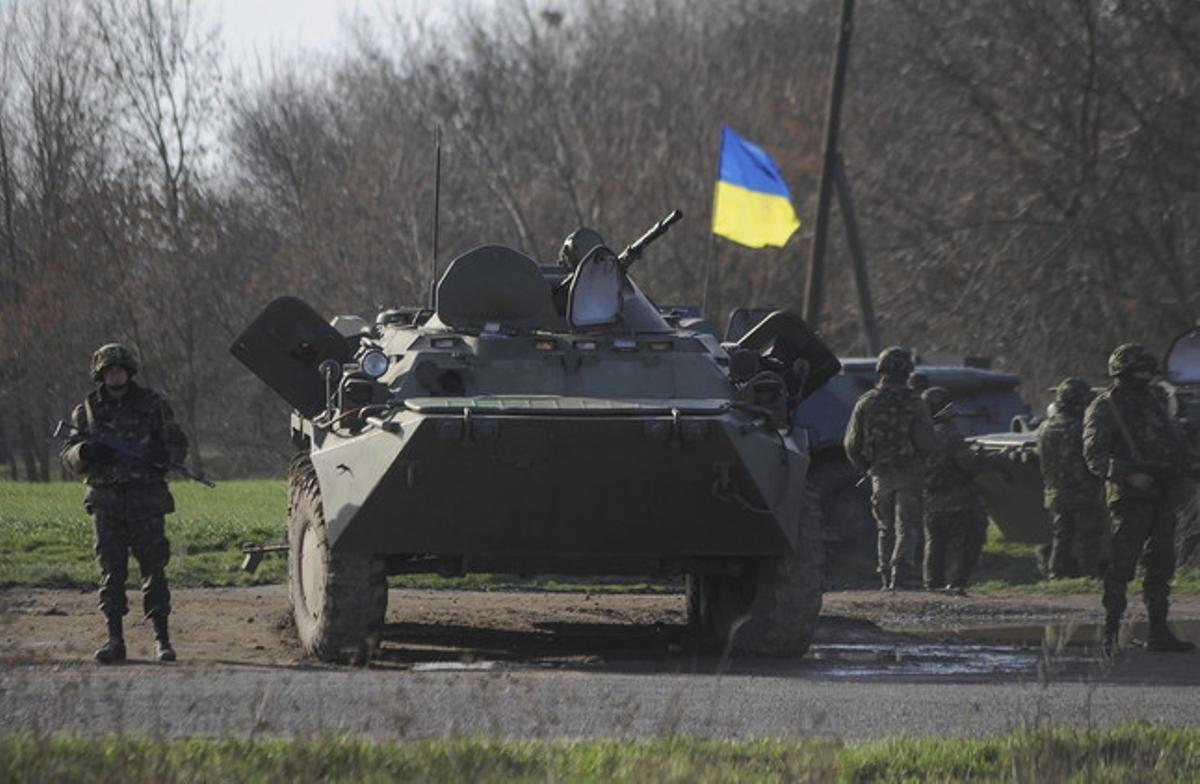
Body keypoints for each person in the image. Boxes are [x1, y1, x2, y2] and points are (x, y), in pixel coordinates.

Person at [60, 343, 188, 663]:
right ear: (100, 375)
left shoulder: (154, 404)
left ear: (129, 372)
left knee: (154, 571)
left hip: (146, 498)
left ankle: (162, 639)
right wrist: (86, 453)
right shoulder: (86, 411)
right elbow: (68, 453)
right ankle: (114, 639)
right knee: (111, 573)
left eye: (119, 370)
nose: (115, 375)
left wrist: (165, 456)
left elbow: (176, 441)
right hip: (107, 501)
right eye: (108, 371)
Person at [1084, 343, 1197, 655]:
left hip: (1163, 492)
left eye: (1148, 371)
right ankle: (1109, 632)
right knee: (1122, 565)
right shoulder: (1105, 407)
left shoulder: (1155, 402)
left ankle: (1159, 632)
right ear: (1122, 373)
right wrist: (1127, 475)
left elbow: (1175, 443)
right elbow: (1094, 456)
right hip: (1130, 496)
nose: (1145, 377)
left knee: (1161, 565)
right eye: (1138, 372)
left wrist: (1190, 464)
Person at [844, 346, 937, 589]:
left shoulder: (866, 402)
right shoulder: (915, 403)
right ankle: (901, 575)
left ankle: (886, 578)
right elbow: (926, 441)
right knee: (907, 526)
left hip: (879, 474)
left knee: (885, 527)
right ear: (907, 372)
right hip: (909, 473)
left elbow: (851, 443)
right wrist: (922, 460)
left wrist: (865, 466)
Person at [919, 386, 1000, 594]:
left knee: (934, 542)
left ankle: (932, 583)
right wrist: (990, 458)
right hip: (957, 499)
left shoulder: (919, 435)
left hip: (929, 500)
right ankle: (956, 583)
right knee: (966, 539)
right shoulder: (950, 435)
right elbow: (970, 465)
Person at [1037, 378, 1108, 580]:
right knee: (1089, 536)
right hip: (1082, 492)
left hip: (1055, 491)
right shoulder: (1082, 428)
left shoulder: (1045, 427)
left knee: (1061, 535)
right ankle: (1089, 574)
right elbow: (1093, 456)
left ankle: (1055, 574)